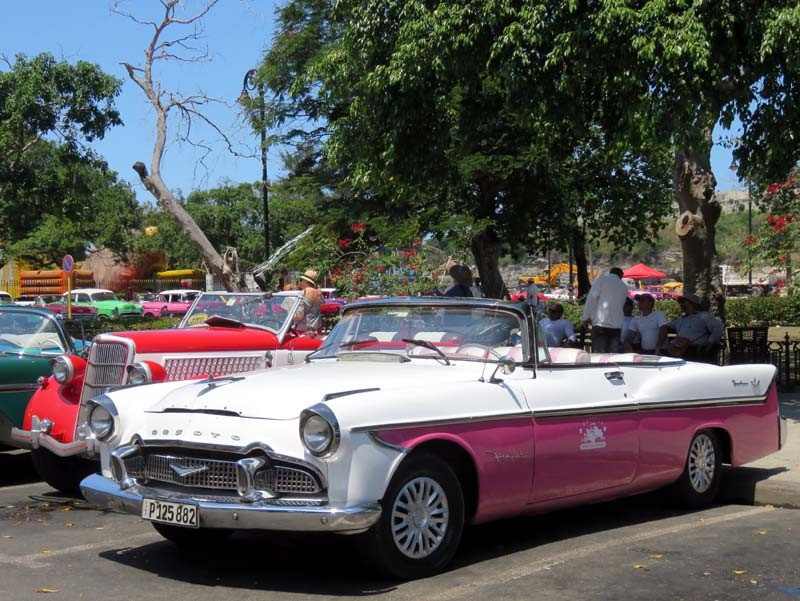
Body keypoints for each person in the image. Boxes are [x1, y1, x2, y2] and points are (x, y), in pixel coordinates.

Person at [581, 267, 629, 353]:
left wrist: (585, 317)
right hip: (616, 326)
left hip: (601, 324)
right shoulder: (624, 287)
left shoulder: (601, 280)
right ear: (621, 276)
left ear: (610, 273)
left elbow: (591, 298)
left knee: (599, 356)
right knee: (612, 357)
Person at [667, 293, 724, 362]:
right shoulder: (682, 319)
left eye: (683, 302)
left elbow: (718, 327)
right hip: (681, 351)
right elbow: (666, 326)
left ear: (692, 303)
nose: (681, 304)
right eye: (680, 302)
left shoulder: (704, 316)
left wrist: (710, 342)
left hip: (697, 352)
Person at [295, 269, 323, 335]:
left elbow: (299, 316)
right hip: (317, 328)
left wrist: (291, 314)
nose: (301, 282)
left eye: (302, 280)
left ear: (305, 281)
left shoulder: (302, 294)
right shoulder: (320, 294)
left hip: (304, 330)